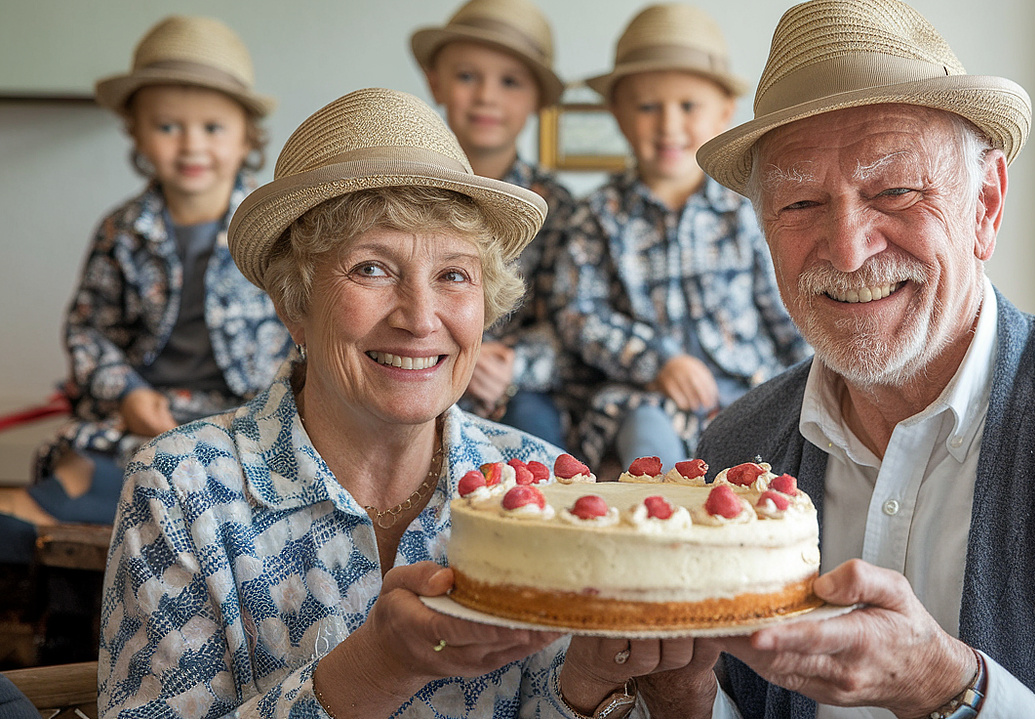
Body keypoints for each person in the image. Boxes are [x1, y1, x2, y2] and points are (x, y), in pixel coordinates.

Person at [640, 0, 1035, 717]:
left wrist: (951, 689)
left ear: (986, 206)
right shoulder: (736, 448)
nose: (848, 248)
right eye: (801, 204)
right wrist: (680, 696)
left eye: (895, 190)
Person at [97, 87, 714, 719]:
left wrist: (589, 689)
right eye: (371, 269)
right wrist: (375, 669)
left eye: (453, 275)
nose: (421, 319)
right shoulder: (179, 487)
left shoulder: (546, 488)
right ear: (294, 305)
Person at [0, 16, 289, 565]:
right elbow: (89, 330)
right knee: (87, 459)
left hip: (241, 414)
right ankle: (51, 523)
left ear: (247, 135)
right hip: (143, 412)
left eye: (212, 128)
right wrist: (127, 394)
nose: (191, 145)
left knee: (226, 474)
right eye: (167, 127)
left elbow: (306, 325)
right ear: (135, 132)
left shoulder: (273, 227)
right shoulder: (123, 231)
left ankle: (91, 510)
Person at [554, 3, 810, 469]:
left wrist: (815, 376)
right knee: (646, 441)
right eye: (648, 106)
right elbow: (577, 315)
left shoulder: (748, 211)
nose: (669, 124)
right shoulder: (597, 215)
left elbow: (785, 310)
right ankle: (663, 518)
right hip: (647, 396)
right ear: (617, 113)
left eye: (688, 106)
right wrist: (657, 361)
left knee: (778, 445)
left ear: (723, 113)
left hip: (748, 388)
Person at [410, 0, 576, 448]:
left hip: (515, 389)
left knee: (536, 437)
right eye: (467, 76)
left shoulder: (556, 204)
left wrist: (509, 365)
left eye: (510, 82)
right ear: (435, 81)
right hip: (415, 359)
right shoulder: (405, 193)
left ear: (538, 99)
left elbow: (568, 327)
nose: (486, 96)